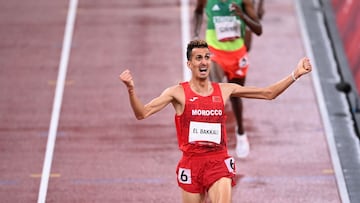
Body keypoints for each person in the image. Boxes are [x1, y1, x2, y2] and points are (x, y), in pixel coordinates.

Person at [119, 39, 312, 203]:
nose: (203, 62)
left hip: (218, 161)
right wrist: (130, 90)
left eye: (206, 57)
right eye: (198, 58)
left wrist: (295, 74)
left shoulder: (225, 89)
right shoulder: (177, 93)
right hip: (191, 163)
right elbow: (142, 113)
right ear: (189, 64)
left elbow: (268, 93)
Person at [193, 0, 263, 158]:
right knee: (215, 93)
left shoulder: (243, 1)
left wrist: (242, 15)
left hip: (237, 55)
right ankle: (211, 138)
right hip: (215, 52)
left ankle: (241, 132)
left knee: (235, 96)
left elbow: (258, 29)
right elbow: (198, 12)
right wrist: (196, 33)